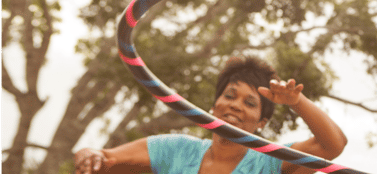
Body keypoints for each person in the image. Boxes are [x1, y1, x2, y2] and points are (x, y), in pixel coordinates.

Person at [73, 55, 348, 174]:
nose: (236, 106)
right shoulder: (177, 149)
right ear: (213, 107)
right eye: (229, 96)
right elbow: (103, 159)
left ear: (261, 123)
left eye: (250, 103)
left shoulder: (271, 162)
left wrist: (296, 101)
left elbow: (333, 146)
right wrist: (88, 155)